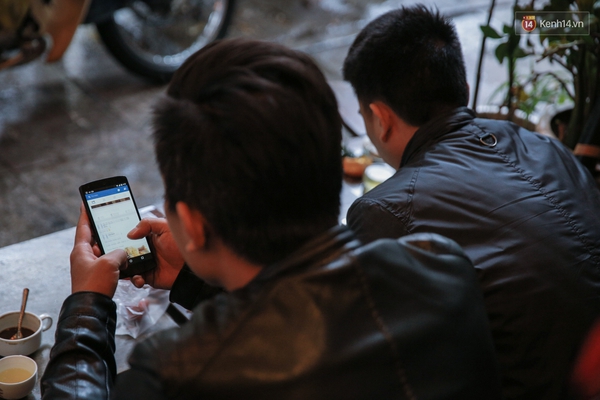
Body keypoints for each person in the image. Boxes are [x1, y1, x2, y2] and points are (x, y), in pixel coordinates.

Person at [40, 38, 502, 399]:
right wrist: (199, 280)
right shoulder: (443, 267)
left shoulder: (175, 372)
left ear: (193, 225)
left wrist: (86, 307)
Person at [342, 5, 600, 400]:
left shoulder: (385, 211)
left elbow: (386, 356)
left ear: (380, 118)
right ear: (463, 90)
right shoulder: (544, 146)